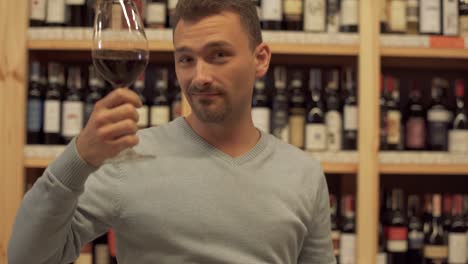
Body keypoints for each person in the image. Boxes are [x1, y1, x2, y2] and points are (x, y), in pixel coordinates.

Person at [8, 0, 335, 263]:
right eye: (186, 59)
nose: (200, 76)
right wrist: (78, 157)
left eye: (218, 55)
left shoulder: (303, 173)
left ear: (260, 59)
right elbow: (28, 257)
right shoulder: (129, 158)